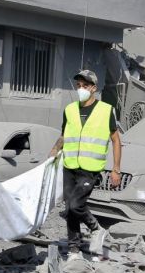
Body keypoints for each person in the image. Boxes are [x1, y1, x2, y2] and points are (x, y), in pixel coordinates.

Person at [49, 70, 121, 260]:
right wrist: (54, 151)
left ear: (94, 88)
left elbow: (116, 140)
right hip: (70, 165)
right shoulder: (70, 109)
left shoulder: (106, 110)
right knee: (69, 209)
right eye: (78, 85)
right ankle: (74, 249)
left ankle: (96, 228)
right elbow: (64, 135)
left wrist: (116, 169)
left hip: (90, 169)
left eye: (85, 86)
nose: (81, 89)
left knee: (75, 205)